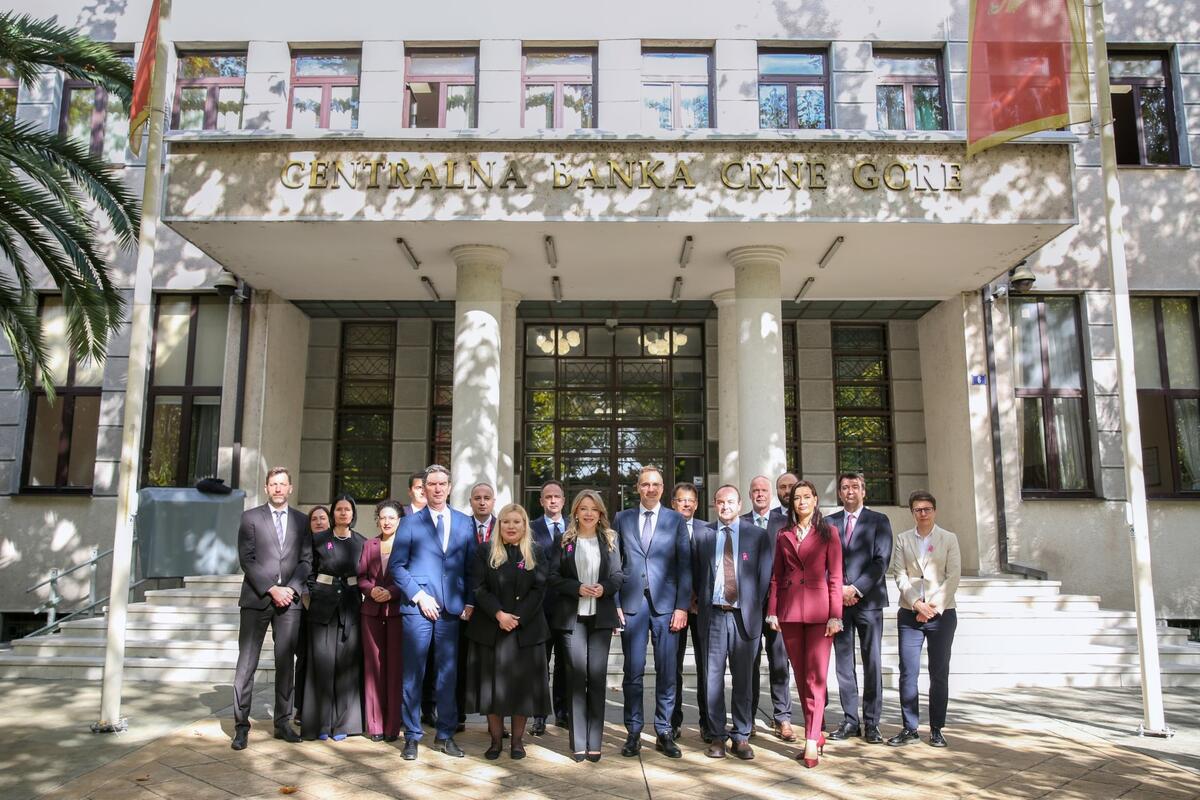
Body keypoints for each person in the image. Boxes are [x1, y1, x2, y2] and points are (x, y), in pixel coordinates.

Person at [389, 464, 476, 760]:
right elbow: (397, 567)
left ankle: (445, 735)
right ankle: (412, 736)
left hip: (451, 610)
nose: (437, 489)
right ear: (423, 489)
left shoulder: (464, 522)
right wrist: (419, 596)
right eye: (432, 484)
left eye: (442, 484)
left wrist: (470, 601)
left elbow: (472, 567)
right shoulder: (410, 523)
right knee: (414, 674)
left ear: (450, 488)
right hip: (418, 608)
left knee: (447, 675)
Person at [230, 467, 312, 751]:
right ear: (266, 488)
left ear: (290, 488)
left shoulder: (302, 521)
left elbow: (306, 560)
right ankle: (241, 727)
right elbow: (247, 559)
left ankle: (283, 723)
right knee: (246, 664)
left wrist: (291, 588)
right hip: (257, 599)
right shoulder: (250, 518)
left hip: (289, 601)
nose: (278, 488)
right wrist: (271, 588)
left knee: (285, 662)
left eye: (282, 484)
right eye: (273, 484)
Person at [614, 465, 691, 759]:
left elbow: (684, 565)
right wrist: (615, 603)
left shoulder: (675, 520)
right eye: (645, 484)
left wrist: (682, 606)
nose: (650, 489)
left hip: (666, 607)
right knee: (632, 672)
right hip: (632, 605)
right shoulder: (622, 519)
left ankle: (664, 731)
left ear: (662, 488)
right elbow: (614, 564)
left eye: (656, 484)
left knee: (667, 671)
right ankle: (633, 732)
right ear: (637, 488)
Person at [464, 503, 552, 760]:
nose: (511, 526)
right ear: (498, 525)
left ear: (525, 525)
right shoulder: (484, 551)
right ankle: (495, 741)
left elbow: (539, 589)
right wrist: (499, 615)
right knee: (493, 689)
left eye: (516, 522)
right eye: (506, 522)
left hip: (526, 631)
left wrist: (517, 618)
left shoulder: (536, 552)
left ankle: (517, 742)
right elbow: (479, 587)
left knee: (521, 689)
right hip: (491, 629)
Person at [766, 480, 843, 768]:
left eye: (806, 497)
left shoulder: (828, 533)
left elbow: (835, 577)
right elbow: (776, 576)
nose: (801, 502)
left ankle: (811, 738)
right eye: (797, 498)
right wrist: (773, 611)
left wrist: (836, 615)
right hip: (789, 613)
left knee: (816, 677)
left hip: (820, 613)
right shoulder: (783, 533)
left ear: (815, 500)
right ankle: (815, 732)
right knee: (800, 677)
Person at [693, 485, 773, 760]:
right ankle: (717, 735)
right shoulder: (703, 535)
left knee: (743, 679)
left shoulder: (757, 535)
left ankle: (741, 735)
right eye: (720, 502)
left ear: (739, 505)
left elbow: (764, 577)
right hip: (713, 616)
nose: (725, 506)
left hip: (743, 617)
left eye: (730, 502)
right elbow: (696, 573)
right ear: (714, 505)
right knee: (712, 679)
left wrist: (752, 605)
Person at [548, 489, 625, 762]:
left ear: (600, 513)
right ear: (576, 512)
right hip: (573, 619)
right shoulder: (564, 541)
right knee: (575, 678)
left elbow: (618, 575)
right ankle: (578, 742)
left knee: (597, 678)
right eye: (583, 508)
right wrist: (577, 588)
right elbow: (553, 577)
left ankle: (595, 741)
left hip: (600, 618)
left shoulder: (611, 539)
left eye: (593, 509)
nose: (589, 513)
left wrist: (604, 588)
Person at [888, 490, 961, 749]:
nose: (923, 513)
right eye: (918, 510)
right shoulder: (903, 539)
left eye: (927, 509)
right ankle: (910, 728)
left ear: (934, 511)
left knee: (938, 672)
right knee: (908, 672)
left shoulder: (949, 538)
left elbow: (953, 576)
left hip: (942, 615)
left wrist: (931, 607)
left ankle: (937, 729)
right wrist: (916, 604)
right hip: (910, 614)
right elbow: (899, 574)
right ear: (912, 513)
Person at [825, 472, 893, 745]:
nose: (850, 491)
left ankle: (872, 722)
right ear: (839, 493)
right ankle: (850, 720)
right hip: (838, 604)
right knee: (843, 664)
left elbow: (881, 560)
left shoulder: (879, 521)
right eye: (845, 487)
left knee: (871, 661)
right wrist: (839, 591)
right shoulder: (829, 523)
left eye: (855, 487)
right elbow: (824, 561)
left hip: (869, 601)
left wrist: (855, 589)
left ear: (864, 491)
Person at [301, 495, 366, 741]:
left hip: (350, 609)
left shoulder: (361, 542)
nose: (343, 513)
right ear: (333, 513)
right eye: (339, 509)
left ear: (353, 514)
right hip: (322, 610)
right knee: (322, 665)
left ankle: (343, 724)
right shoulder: (318, 540)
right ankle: (320, 723)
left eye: (347, 509)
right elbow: (307, 571)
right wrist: (315, 595)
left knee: (347, 667)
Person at [744, 474, 796, 742]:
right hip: (749, 606)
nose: (760, 494)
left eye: (764, 490)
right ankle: (747, 718)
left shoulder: (785, 523)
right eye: (755, 490)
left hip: (779, 604)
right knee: (749, 663)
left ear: (771, 494)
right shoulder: (740, 522)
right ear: (750, 494)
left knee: (779, 661)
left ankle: (783, 717)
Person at [359, 500, 405, 743]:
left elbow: (410, 575)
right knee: (373, 668)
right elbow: (362, 576)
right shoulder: (370, 544)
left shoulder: (406, 545)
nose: (386, 522)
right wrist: (371, 590)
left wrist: (392, 592)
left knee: (395, 669)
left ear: (399, 521)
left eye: (391, 518)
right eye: (383, 518)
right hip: (371, 613)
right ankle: (375, 725)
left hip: (397, 613)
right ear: (377, 520)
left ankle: (392, 726)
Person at [669, 481, 710, 742]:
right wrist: (682, 601)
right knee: (673, 667)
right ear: (673, 503)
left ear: (696, 504)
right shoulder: (665, 528)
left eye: (691, 500)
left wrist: (699, 596)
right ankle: (673, 722)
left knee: (707, 667)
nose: (686, 504)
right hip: (675, 609)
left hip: (703, 609)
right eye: (681, 500)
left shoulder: (708, 530)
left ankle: (708, 722)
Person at [529, 480, 569, 734]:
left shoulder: (575, 527)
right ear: (541, 501)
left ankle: (563, 713)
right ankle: (539, 715)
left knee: (566, 663)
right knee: (539, 664)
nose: (553, 500)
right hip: (540, 608)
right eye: (548, 497)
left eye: (557, 496)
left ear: (563, 501)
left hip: (567, 607)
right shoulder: (530, 528)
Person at [293, 505, 330, 724]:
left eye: (322, 518)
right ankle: (301, 707)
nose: (318, 522)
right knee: (304, 658)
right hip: (303, 609)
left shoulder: (332, 544)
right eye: (314, 519)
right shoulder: (301, 546)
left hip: (327, 609)